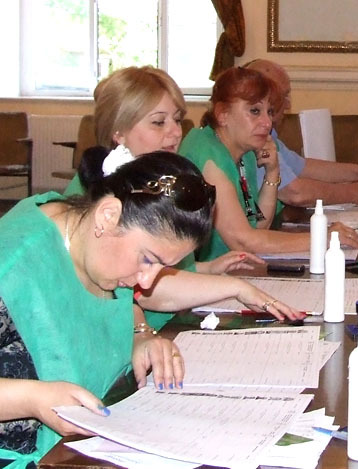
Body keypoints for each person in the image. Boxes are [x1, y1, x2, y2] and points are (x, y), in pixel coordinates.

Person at [0, 152, 213, 466]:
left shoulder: (96, 244)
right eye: (148, 260)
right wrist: (33, 398)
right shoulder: (12, 265)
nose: (147, 281)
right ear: (108, 215)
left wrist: (139, 337)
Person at [66, 66, 303, 329]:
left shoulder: (158, 180)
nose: (176, 132)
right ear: (118, 132)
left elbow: (158, 267)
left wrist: (206, 269)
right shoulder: (98, 191)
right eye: (159, 122)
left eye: (177, 120)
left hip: (172, 317)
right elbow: (142, 289)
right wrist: (234, 287)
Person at [179, 67, 358, 262]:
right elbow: (243, 241)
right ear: (222, 114)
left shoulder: (245, 152)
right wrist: (322, 238)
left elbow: (259, 225)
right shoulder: (207, 153)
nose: (267, 122)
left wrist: (272, 172)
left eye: (270, 111)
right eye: (255, 111)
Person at [244, 59, 358, 210]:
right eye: (283, 96)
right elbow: (295, 193)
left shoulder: (269, 137)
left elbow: (303, 167)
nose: (288, 105)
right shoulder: (252, 140)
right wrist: (353, 193)